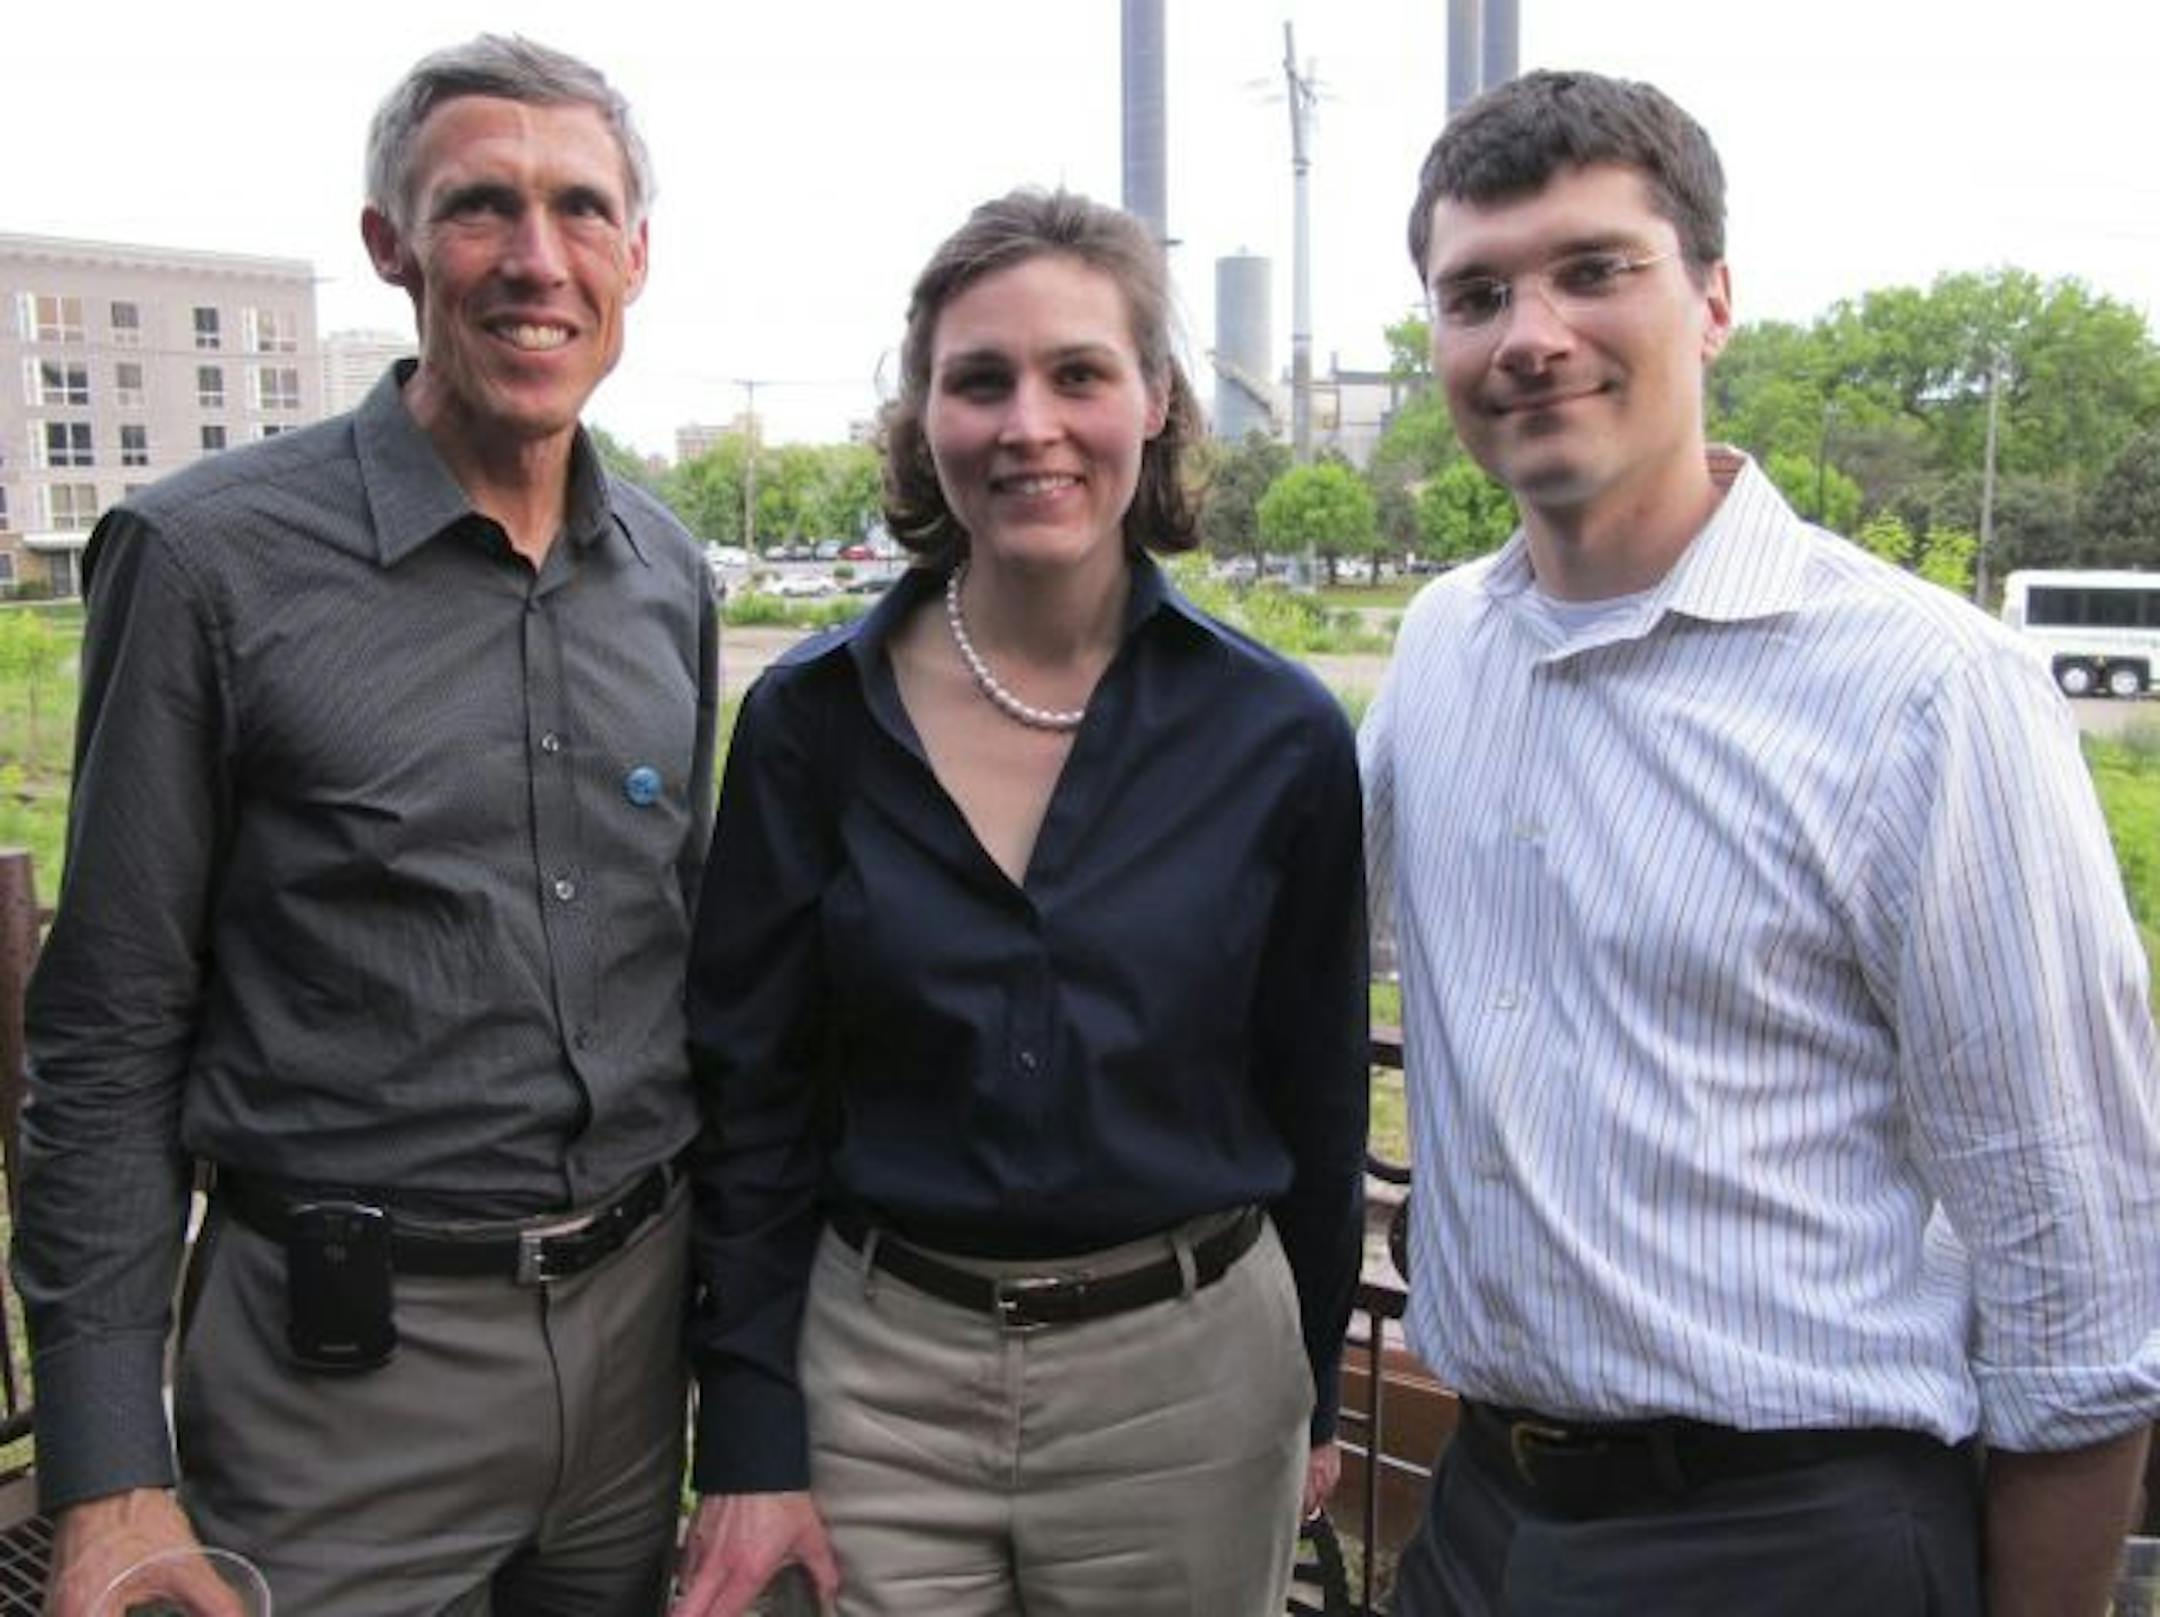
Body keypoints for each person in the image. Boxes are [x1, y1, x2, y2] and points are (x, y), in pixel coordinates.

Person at [1362, 68, 2160, 1617]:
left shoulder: (1931, 694)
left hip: (1791, 1538)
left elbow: (2078, 1265)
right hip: (1479, 1520)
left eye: (1596, 270)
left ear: (1713, 299)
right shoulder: (1443, 647)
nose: (1531, 334)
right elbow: (1293, 950)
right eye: (1476, 293)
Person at [16, 34, 717, 1617]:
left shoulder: (669, 575)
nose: (537, 260)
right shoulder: (207, 563)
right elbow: (112, 1031)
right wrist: (107, 1473)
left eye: (581, 210)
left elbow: (696, 978)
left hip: (629, 1363)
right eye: (481, 206)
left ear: (637, 255)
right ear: (390, 245)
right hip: (341, 1387)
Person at [673, 188, 1369, 1617]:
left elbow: (1316, 1095)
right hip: (879, 1377)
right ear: (924, 416)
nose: (1027, 423)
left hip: (1188, 1387)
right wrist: (747, 1427)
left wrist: (1304, 1381)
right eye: (978, 379)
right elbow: (750, 1096)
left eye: (1079, 373)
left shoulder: (1278, 732)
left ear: (1156, 401)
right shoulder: (811, 722)